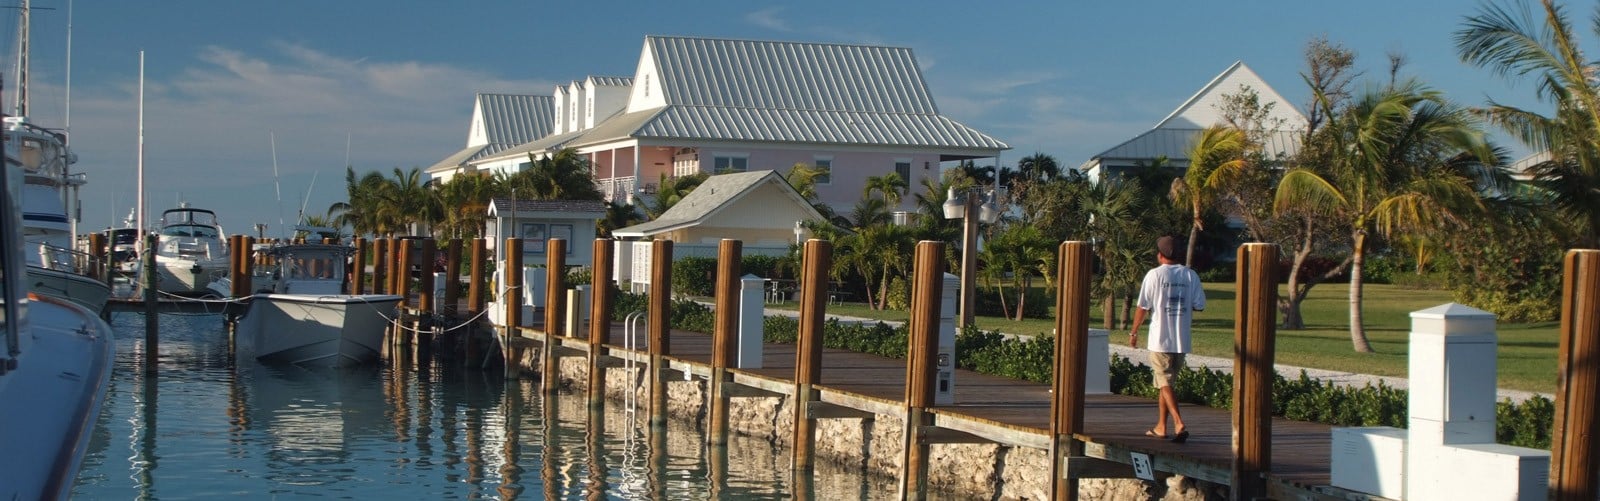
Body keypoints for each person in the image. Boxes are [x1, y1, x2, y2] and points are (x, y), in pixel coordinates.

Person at [1126, 235, 1205, 443]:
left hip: (1160, 338)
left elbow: (1143, 307)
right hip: (1181, 339)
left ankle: (1178, 423)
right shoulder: (1190, 276)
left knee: (1164, 382)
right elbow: (1199, 304)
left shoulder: (1154, 275)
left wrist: (1133, 332)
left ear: (1160, 255)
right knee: (1166, 384)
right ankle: (1161, 426)